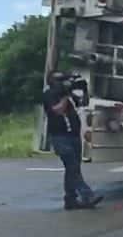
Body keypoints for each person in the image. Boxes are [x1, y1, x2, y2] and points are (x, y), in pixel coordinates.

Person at [43, 72, 103, 211]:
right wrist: (65, 95)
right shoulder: (49, 94)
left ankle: (70, 200)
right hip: (59, 137)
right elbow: (57, 110)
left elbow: (83, 103)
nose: (64, 83)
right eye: (60, 80)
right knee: (72, 166)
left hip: (73, 135)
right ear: (53, 81)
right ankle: (87, 195)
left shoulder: (68, 96)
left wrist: (84, 90)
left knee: (73, 168)